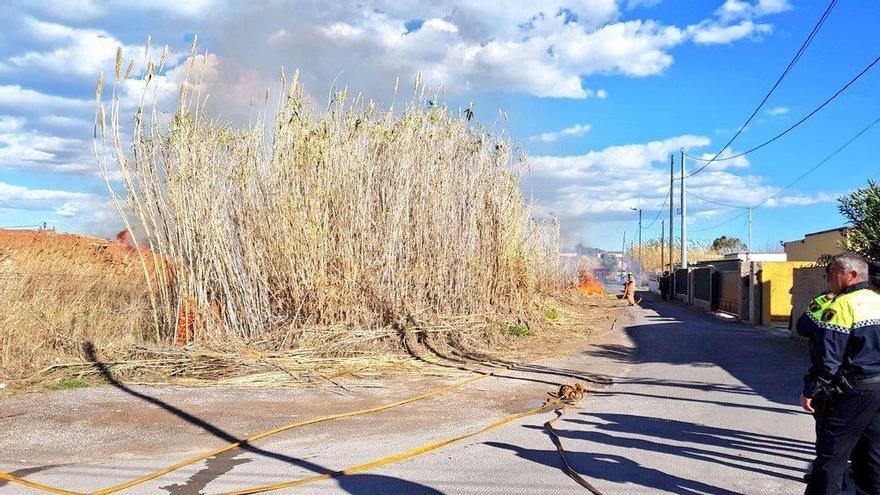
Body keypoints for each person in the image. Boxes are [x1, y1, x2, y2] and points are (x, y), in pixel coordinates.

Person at [798, 253, 880, 494]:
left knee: (831, 456)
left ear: (851, 275)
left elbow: (828, 359)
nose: (828, 276)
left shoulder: (840, 305)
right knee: (872, 454)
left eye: (833, 271)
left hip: (852, 389)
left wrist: (811, 390)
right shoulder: (877, 301)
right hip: (877, 389)